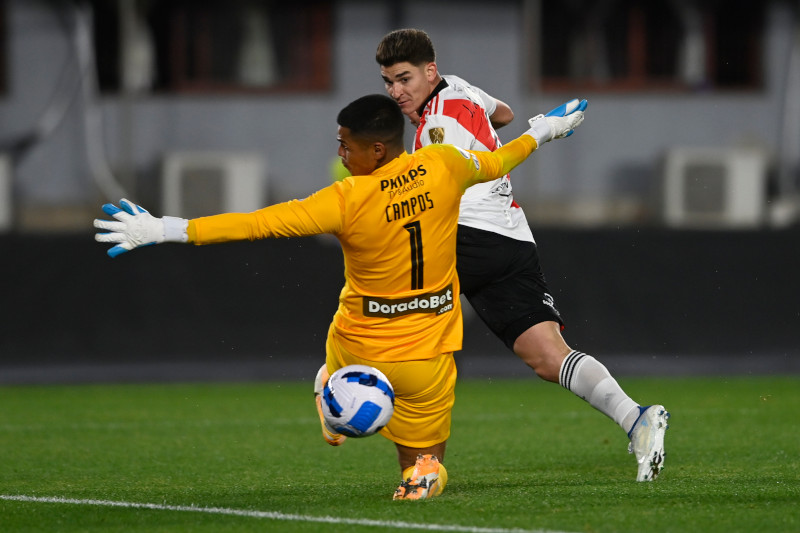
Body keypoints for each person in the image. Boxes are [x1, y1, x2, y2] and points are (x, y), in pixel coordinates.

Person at [94, 93, 587, 499]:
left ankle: (334, 400)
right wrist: (545, 130)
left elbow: (255, 224)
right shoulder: (445, 164)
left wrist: (164, 228)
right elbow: (502, 158)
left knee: (332, 361)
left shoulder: (347, 200)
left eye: (345, 146)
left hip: (357, 344)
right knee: (423, 461)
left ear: (376, 150)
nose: (340, 155)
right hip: (427, 352)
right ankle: (422, 475)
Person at [374, 28, 669, 483]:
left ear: (429, 71)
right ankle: (637, 419)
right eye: (389, 81)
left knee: (401, 330)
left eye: (405, 78)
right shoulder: (459, 87)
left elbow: (437, 189)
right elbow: (504, 113)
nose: (396, 91)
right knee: (549, 357)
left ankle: (409, 458)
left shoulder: (438, 124)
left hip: (463, 235)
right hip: (510, 239)